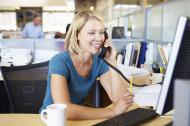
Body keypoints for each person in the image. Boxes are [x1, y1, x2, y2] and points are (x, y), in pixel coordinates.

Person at [40, 10, 133, 120]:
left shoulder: (100, 61)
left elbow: (121, 100)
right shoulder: (60, 61)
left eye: (102, 32)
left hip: (79, 117)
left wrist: (112, 62)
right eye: (92, 33)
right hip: (52, 120)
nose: (99, 38)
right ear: (77, 35)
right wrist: (111, 111)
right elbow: (64, 109)